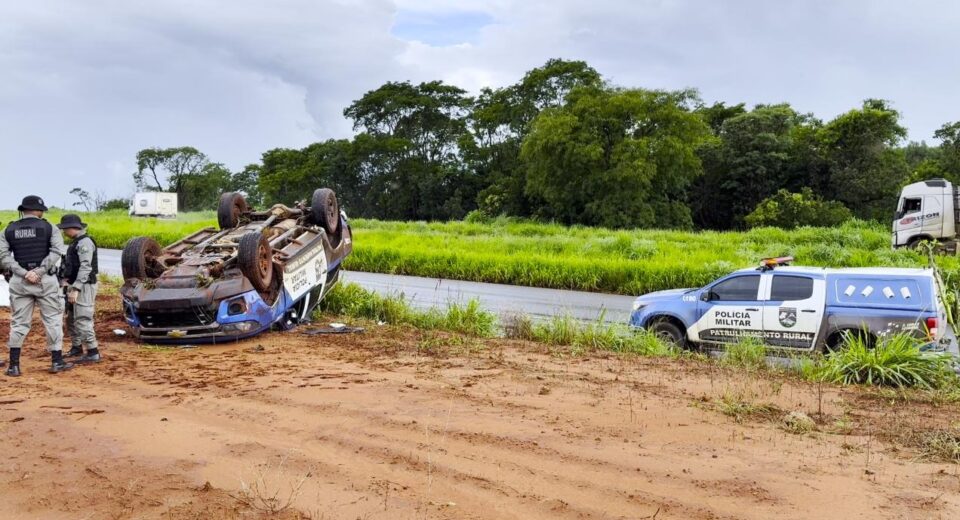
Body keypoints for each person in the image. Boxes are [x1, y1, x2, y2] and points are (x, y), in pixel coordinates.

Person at [0, 195, 72, 376]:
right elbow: (56, 252)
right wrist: (38, 272)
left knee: (19, 323)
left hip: (19, 281)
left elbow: (3, 257)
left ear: (22, 210)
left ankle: (14, 366)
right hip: (45, 281)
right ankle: (57, 362)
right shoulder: (49, 227)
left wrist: (23, 273)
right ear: (39, 211)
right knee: (53, 320)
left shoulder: (8, 229)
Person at [58, 214, 101, 363]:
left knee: (83, 317)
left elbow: (85, 267)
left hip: (84, 285)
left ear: (72, 228)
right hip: (75, 284)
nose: (64, 232)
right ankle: (77, 347)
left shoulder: (85, 243)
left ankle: (93, 351)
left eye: (65, 229)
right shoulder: (76, 242)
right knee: (70, 318)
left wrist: (76, 288)